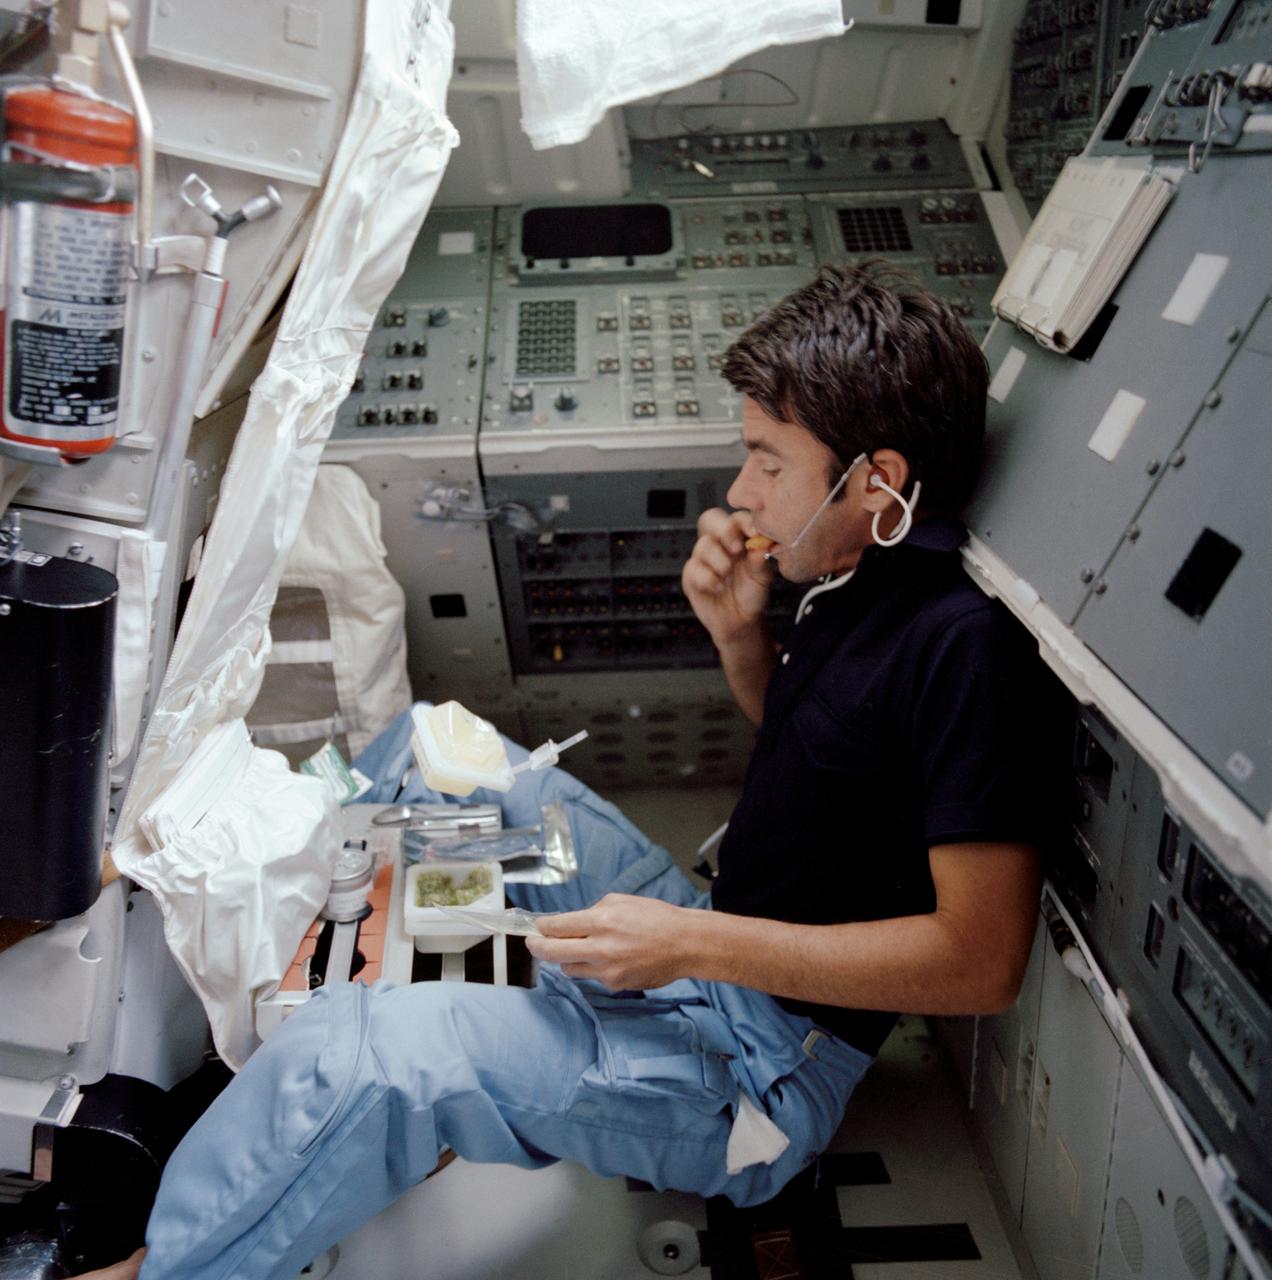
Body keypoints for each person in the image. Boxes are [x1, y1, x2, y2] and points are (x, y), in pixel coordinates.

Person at [125, 261, 1046, 1280]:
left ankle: (180, 1253)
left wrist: (693, 939)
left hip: (756, 1069)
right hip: (714, 936)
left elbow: (981, 958)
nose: (741, 492)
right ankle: (339, 970)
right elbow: (830, 756)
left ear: (873, 481)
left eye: (768, 462)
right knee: (441, 748)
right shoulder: (854, 575)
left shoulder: (962, 648)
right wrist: (740, 637)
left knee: (386, 1048)